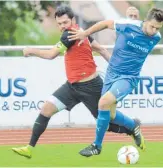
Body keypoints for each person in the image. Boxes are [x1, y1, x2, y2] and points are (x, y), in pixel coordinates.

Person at [11, 6, 138, 159]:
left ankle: (132, 128)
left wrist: (31, 50)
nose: (62, 26)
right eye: (59, 23)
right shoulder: (81, 32)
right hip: (72, 86)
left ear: (72, 20)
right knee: (46, 109)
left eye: (65, 22)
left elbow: (51, 54)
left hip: (90, 86)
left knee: (107, 124)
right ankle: (29, 148)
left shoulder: (69, 34)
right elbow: (102, 50)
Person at [68, 7, 163, 157]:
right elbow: (106, 23)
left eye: (157, 28)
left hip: (128, 77)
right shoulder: (128, 25)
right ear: (145, 21)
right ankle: (133, 126)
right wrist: (85, 34)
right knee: (111, 114)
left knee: (103, 103)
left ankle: (97, 146)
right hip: (111, 74)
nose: (153, 30)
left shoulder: (156, 37)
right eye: (152, 26)